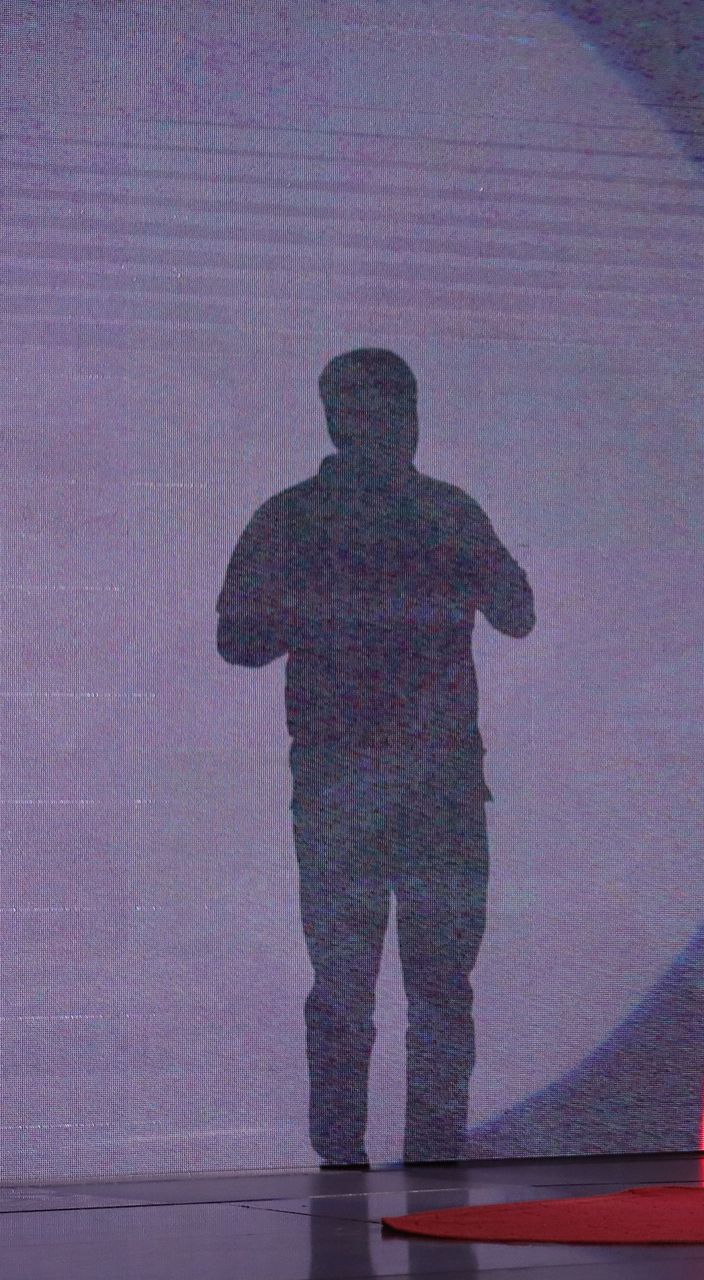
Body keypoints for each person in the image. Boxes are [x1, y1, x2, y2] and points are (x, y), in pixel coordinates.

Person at [217, 349, 535, 1165]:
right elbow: (240, 638)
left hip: (410, 789)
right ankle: (361, 1156)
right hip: (368, 789)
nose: (398, 426)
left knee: (414, 991)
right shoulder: (309, 519)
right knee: (368, 992)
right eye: (384, 409)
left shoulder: (418, 513)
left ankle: (407, 1153)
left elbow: (515, 609)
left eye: (403, 408)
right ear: (341, 419)